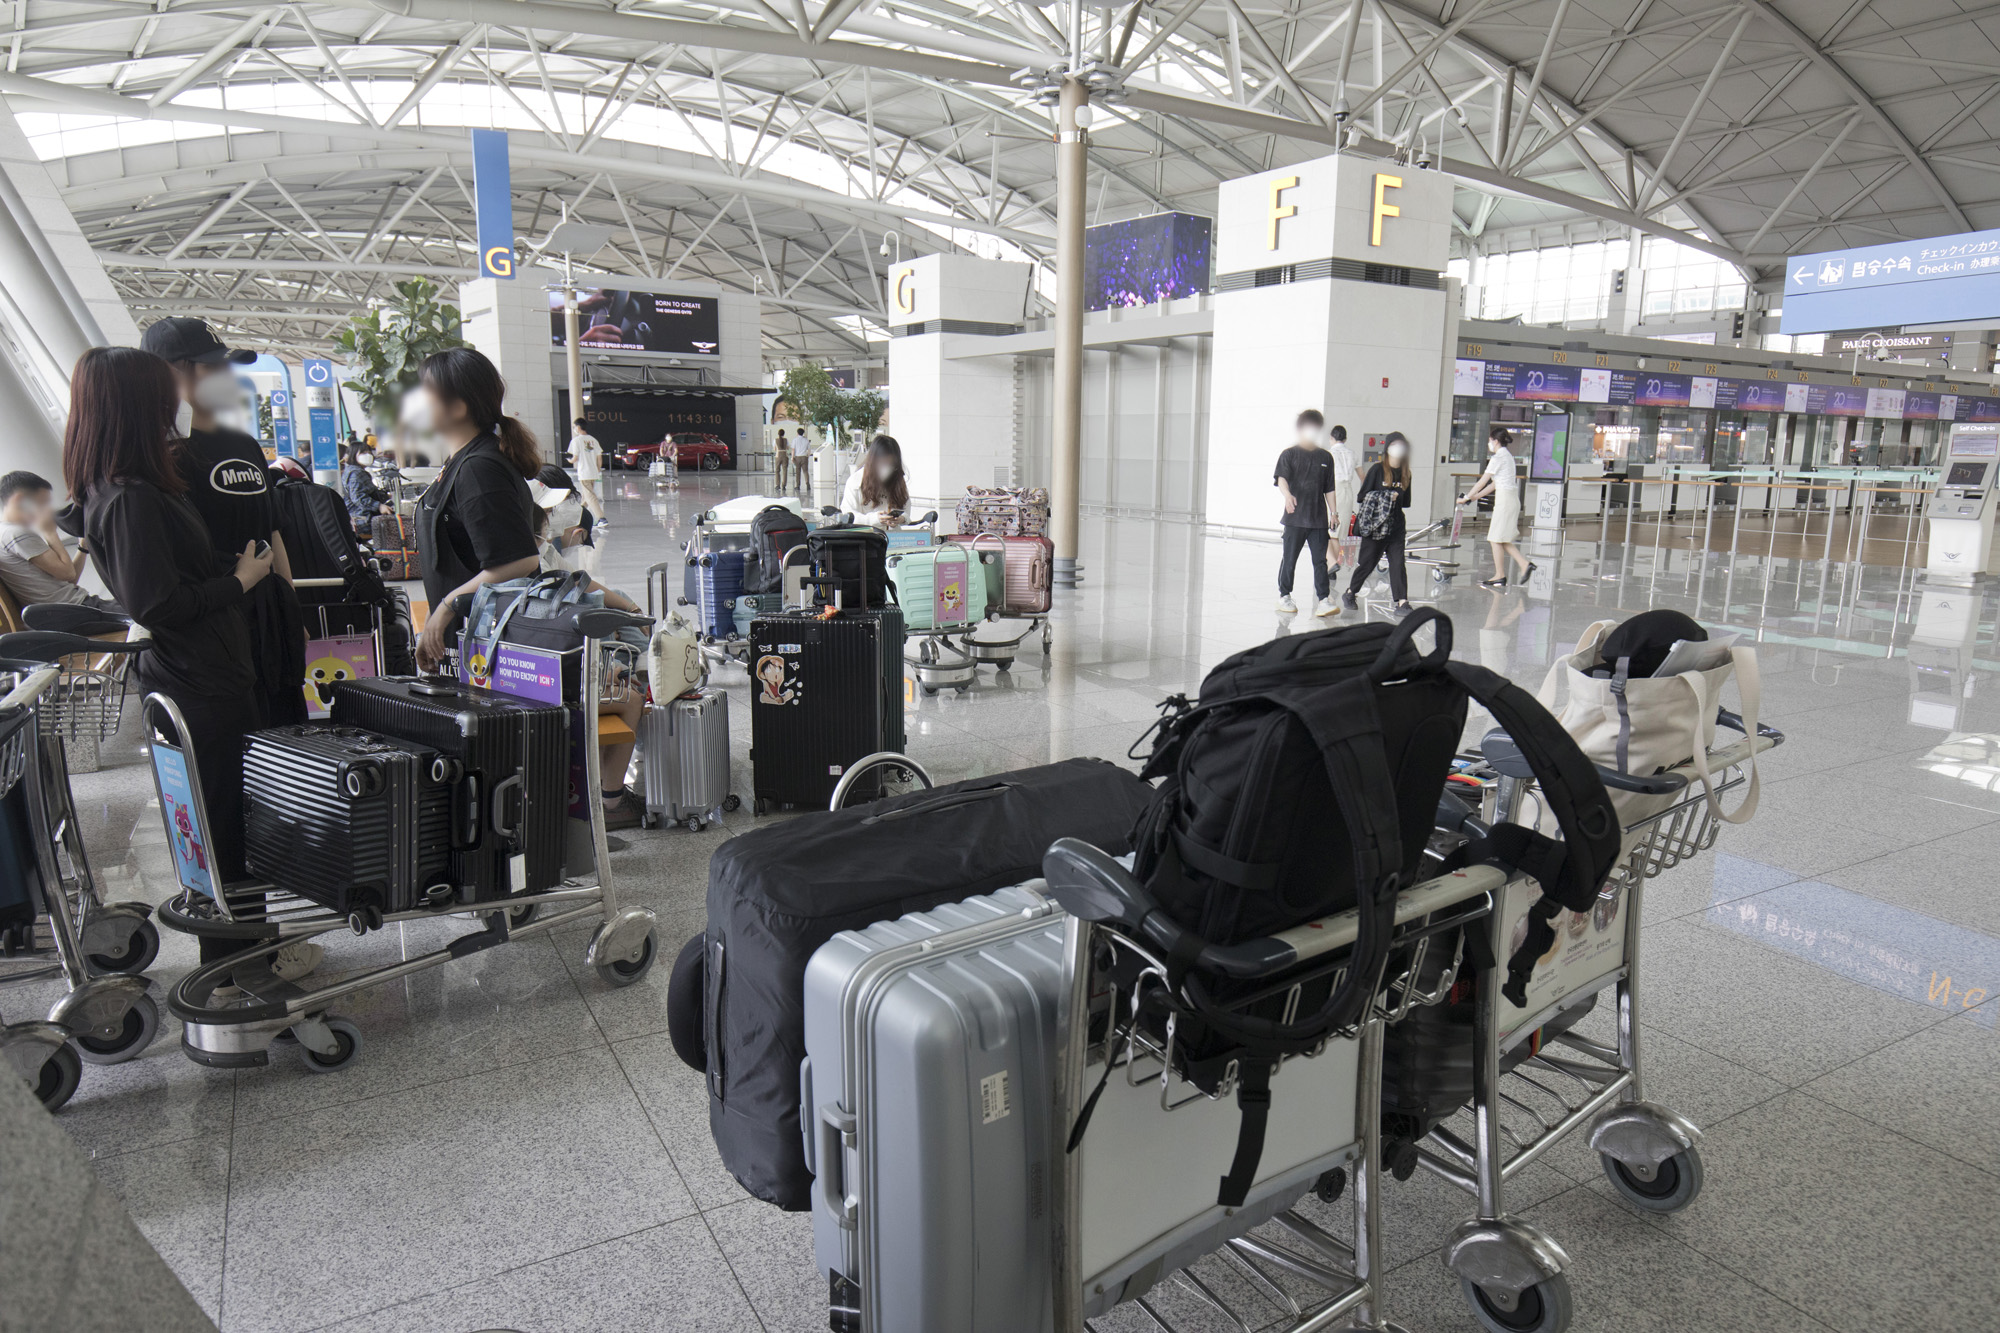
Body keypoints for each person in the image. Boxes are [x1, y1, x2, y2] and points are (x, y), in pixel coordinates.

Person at [65, 346, 317, 980]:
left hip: (201, 676)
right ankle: (244, 966)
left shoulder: (126, 488)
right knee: (224, 828)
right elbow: (158, 602)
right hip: (200, 682)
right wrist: (241, 579)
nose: (174, 404)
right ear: (135, 406)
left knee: (216, 824)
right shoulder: (130, 498)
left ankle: (240, 958)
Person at [143, 317, 307, 728]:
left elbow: (273, 532)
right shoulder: (159, 456)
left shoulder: (245, 444)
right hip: (211, 628)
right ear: (171, 372)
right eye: (213, 367)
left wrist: (292, 611)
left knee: (283, 740)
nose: (227, 378)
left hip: (268, 622)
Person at [406, 348, 542, 673]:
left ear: (457, 407)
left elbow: (519, 560)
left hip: (490, 646)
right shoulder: (462, 461)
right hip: (469, 641)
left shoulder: (479, 468)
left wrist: (445, 608)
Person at [0, 471, 121, 612]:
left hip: (75, 608)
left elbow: (69, 579)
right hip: (75, 610)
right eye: (42, 503)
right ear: (19, 499)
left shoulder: (7, 534)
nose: (47, 510)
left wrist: (83, 547)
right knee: (141, 608)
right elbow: (67, 574)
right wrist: (50, 533)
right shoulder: (16, 534)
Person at [1272, 409, 1339, 617]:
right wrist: (1287, 495)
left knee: (1320, 561)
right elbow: (1281, 478)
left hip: (1318, 520)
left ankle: (1323, 600)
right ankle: (1284, 595)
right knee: (1289, 558)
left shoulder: (1326, 457)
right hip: (1295, 518)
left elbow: (1329, 488)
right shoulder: (1289, 454)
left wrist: (1334, 512)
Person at [1344, 432, 1415, 616]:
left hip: (1396, 527)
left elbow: (1406, 502)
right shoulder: (1377, 470)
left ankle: (1402, 602)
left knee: (1398, 563)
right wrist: (1385, 496)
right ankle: (1351, 592)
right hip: (1376, 527)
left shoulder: (1406, 473)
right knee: (1367, 564)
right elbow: (1362, 497)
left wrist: (1395, 497)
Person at [1458, 425, 1535, 590]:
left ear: (1496, 441)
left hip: (1505, 502)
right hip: (1509, 500)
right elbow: (1494, 484)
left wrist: (1466, 497)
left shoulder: (1498, 458)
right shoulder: (1507, 457)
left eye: (1490, 440)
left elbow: (1482, 481)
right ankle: (1523, 565)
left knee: (1495, 538)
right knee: (1501, 539)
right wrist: (1474, 497)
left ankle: (1501, 575)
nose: (1489, 444)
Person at [841, 434, 908, 527]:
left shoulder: (897, 479)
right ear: (873, 461)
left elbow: (906, 510)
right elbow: (848, 516)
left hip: (892, 538)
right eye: (883, 463)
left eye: (892, 464)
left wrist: (902, 518)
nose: (887, 468)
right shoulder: (855, 481)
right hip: (865, 537)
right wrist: (875, 519)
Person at [1326, 424, 1361, 574]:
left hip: (1334, 490)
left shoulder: (1329, 454)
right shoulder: (1352, 454)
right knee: (1338, 533)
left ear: (1331, 438)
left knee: (1327, 530)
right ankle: (1331, 565)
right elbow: (1362, 477)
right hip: (1348, 491)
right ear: (1345, 438)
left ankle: (1331, 562)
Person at [342, 438, 392, 534]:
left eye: (368, 452)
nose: (368, 455)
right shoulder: (356, 473)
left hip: (357, 519)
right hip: (364, 520)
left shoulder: (352, 471)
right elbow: (357, 498)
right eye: (363, 453)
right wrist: (379, 506)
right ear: (353, 455)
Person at [567, 418, 605, 528]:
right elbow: (599, 456)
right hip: (593, 472)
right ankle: (578, 517)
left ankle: (601, 518)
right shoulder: (593, 440)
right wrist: (598, 468)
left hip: (584, 472)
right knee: (586, 497)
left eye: (574, 427)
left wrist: (570, 461)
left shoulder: (576, 441)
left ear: (578, 427)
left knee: (590, 496)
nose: (574, 429)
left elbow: (575, 457)